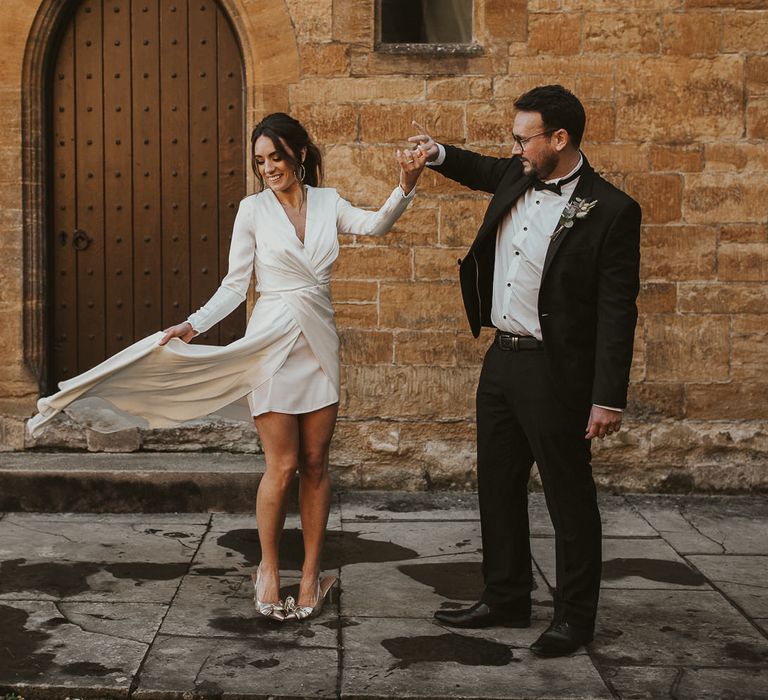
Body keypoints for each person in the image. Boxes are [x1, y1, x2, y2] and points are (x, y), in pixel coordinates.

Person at [29, 112, 428, 623]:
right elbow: (235, 286)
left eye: (276, 158)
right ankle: (267, 568)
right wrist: (191, 327)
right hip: (270, 344)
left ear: (299, 155)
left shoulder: (329, 203)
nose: (268, 169)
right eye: (260, 162)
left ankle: (309, 574)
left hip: (320, 344)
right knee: (281, 467)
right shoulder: (252, 211)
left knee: (317, 464)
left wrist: (406, 183)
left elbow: (375, 225)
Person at [408, 85, 641, 656]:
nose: (514, 149)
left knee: (569, 497)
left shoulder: (611, 210)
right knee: (498, 486)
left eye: (523, 138)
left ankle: (574, 617)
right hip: (502, 361)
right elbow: (478, 166)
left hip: (555, 371)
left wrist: (608, 396)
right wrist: (437, 153)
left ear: (559, 139)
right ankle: (506, 595)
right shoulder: (517, 174)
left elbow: (617, 309)